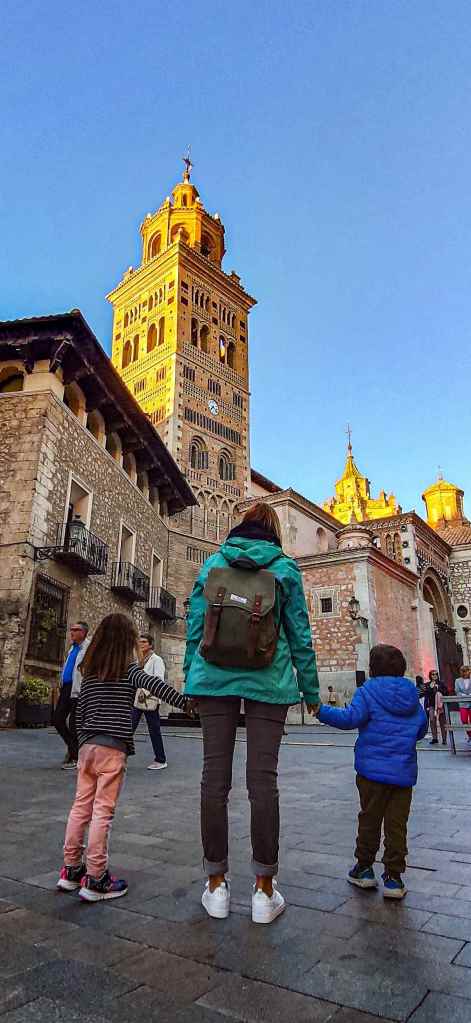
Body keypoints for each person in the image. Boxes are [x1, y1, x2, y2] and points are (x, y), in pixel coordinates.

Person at [183, 502, 320, 925]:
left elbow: (194, 625)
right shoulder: (285, 569)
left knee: (214, 781)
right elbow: (299, 633)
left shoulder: (212, 564)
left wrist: (191, 677)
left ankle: (216, 885)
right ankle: (263, 891)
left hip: (213, 679)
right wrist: (311, 691)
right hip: (269, 682)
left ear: (239, 528)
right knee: (263, 784)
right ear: (274, 531)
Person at [57, 613, 188, 902]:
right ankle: (96, 878)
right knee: (102, 811)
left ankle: (70, 871)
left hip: (87, 745)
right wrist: (189, 704)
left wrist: (80, 742)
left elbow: (80, 709)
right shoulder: (129, 669)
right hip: (112, 747)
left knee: (80, 807)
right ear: (127, 641)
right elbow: (157, 687)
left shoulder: (89, 670)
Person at [316, 644, 427, 899]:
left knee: (370, 820)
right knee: (397, 825)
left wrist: (321, 710)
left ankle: (364, 869)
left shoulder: (368, 691)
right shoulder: (412, 694)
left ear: (373, 668)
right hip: (402, 773)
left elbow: (349, 719)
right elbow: (421, 728)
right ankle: (394, 878)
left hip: (372, 772)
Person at [53, 621, 90, 769]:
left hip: (79, 690)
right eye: (71, 629)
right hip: (67, 688)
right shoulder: (72, 648)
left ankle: (75, 756)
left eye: (76, 630)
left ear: (84, 633)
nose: (72, 632)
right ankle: (74, 749)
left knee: (75, 725)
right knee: (57, 719)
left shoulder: (88, 648)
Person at [132, 634, 168, 770]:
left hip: (150, 700)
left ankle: (161, 759)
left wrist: (145, 693)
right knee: (130, 727)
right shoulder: (140, 660)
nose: (141, 644)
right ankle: (118, 757)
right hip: (138, 700)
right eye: (139, 641)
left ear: (151, 645)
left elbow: (158, 680)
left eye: (144, 642)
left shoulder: (156, 660)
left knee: (154, 730)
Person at [424, 669, 447, 745]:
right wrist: (426, 706)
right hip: (431, 705)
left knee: (442, 721)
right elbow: (426, 695)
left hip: (440, 705)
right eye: (433, 674)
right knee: (432, 721)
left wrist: (438, 688)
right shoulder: (427, 684)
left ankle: (444, 739)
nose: (434, 675)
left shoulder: (442, 683)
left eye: (436, 674)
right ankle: (435, 738)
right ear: (430, 676)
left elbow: (446, 692)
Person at [455, 665, 471, 743]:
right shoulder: (458, 681)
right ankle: (470, 735)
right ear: (463, 672)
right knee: (464, 720)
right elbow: (457, 691)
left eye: (469, 671)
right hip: (463, 703)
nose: (469, 672)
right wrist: (463, 695)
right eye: (467, 671)